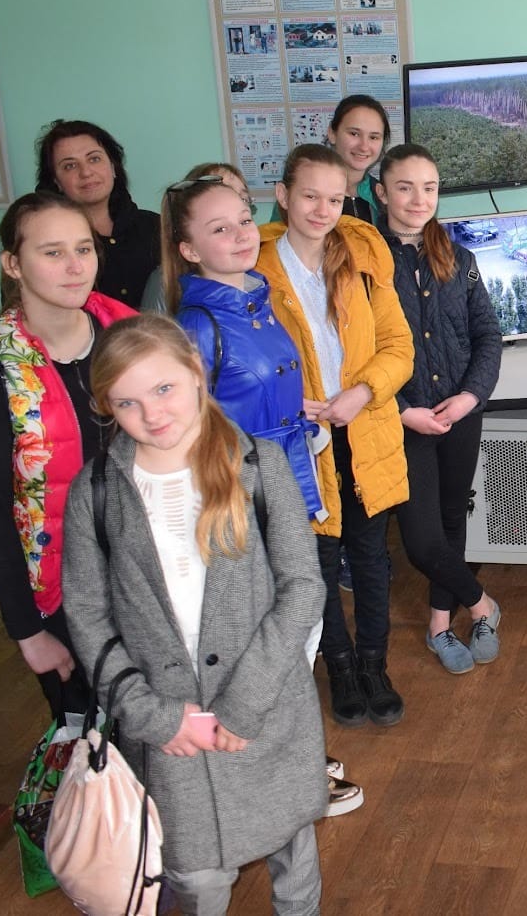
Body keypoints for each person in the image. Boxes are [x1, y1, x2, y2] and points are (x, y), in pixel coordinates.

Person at [61, 315, 327, 915]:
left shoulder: (258, 465)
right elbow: (87, 614)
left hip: (265, 704)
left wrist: (245, 700)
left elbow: (302, 587)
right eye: (127, 403)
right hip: (169, 724)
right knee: (198, 876)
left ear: (196, 373)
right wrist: (148, 714)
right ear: (107, 407)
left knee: (291, 846)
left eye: (164, 389)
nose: (152, 414)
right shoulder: (94, 492)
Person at [160, 170, 364, 816]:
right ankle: (276, 772)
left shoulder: (257, 297)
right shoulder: (197, 325)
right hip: (241, 503)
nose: (242, 235)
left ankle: (288, 752)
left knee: (298, 628)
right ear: (188, 248)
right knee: (271, 638)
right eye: (219, 229)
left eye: (244, 221)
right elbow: (188, 432)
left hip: (289, 484)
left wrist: (300, 415)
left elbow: (256, 395)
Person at [0, 193, 136, 722]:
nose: (75, 266)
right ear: (13, 264)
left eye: (84, 248)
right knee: (97, 744)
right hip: (66, 596)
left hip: (154, 577)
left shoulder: (134, 343)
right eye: (53, 252)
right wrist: (29, 632)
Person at [256, 143, 414, 727]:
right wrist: (285, 402)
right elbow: (244, 364)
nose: (322, 210)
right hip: (299, 441)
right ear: (283, 196)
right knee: (317, 562)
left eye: (334, 198)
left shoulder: (364, 259)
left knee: (371, 557)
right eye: (309, 196)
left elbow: (399, 346)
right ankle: (340, 665)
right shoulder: (255, 268)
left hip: (363, 430)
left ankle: (375, 663)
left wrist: (363, 392)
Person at [375, 144, 504, 673]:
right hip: (402, 420)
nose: (418, 199)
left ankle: (438, 625)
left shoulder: (460, 259)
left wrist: (470, 396)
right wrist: (403, 410)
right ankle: (482, 604)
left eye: (429, 188)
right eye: (404, 187)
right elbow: (355, 353)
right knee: (423, 540)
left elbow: (487, 336)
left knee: (453, 518)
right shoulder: (365, 263)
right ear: (381, 193)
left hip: (459, 413)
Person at [35, 119, 159, 308]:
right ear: (56, 181)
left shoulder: (156, 227)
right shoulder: (44, 241)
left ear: (113, 167)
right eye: (70, 166)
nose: (86, 172)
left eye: (94, 159)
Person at [141, 161, 255, 312]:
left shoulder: (256, 281)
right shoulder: (165, 283)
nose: (233, 202)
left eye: (243, 198)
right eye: (220, 229)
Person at [326, 94, 391, 225]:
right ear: (332, 133)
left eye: (373, 137)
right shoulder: (305, 190)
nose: (364, 146)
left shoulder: (382, 196)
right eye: (354, 134)